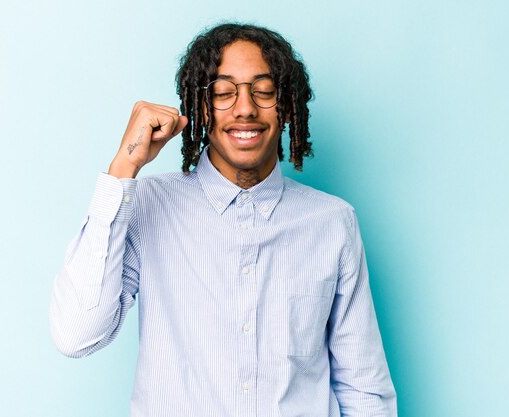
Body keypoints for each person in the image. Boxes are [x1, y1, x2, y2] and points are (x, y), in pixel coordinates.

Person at [50, 22, 397, 417]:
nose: (245, 108)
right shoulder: (146, 206)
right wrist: (124, 166)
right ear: (200, 107)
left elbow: (364, 389)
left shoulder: (333, 223)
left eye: (264, 91)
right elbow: (76, 334)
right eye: (222, 92)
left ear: (286, 107)